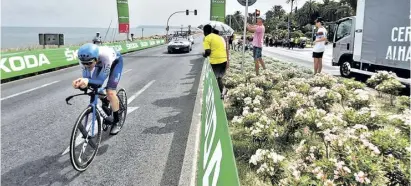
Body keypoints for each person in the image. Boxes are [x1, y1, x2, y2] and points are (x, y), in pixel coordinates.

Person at [72, 43, 124, 135]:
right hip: (99, 63)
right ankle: (105, 101)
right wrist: (80, 84)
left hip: (115, 62)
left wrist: (87, 81)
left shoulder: (105, 56)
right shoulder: (85, 60)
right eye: (84, 63)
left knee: (110, 92)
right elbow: (87, 81)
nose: (87, 65)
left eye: (89, 63)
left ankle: (116, 121)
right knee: (92, 86)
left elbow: (99, 82)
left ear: (96, 59)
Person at [202, 24, 228, 99]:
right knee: (219, 78)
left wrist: (204, 55)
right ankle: (223, 93)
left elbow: (208, 52)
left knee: (215, 78)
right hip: (224, 60)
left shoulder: (207, 38)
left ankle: (221, 93)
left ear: (204, 31)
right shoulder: (219, 37)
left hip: (215, 61)